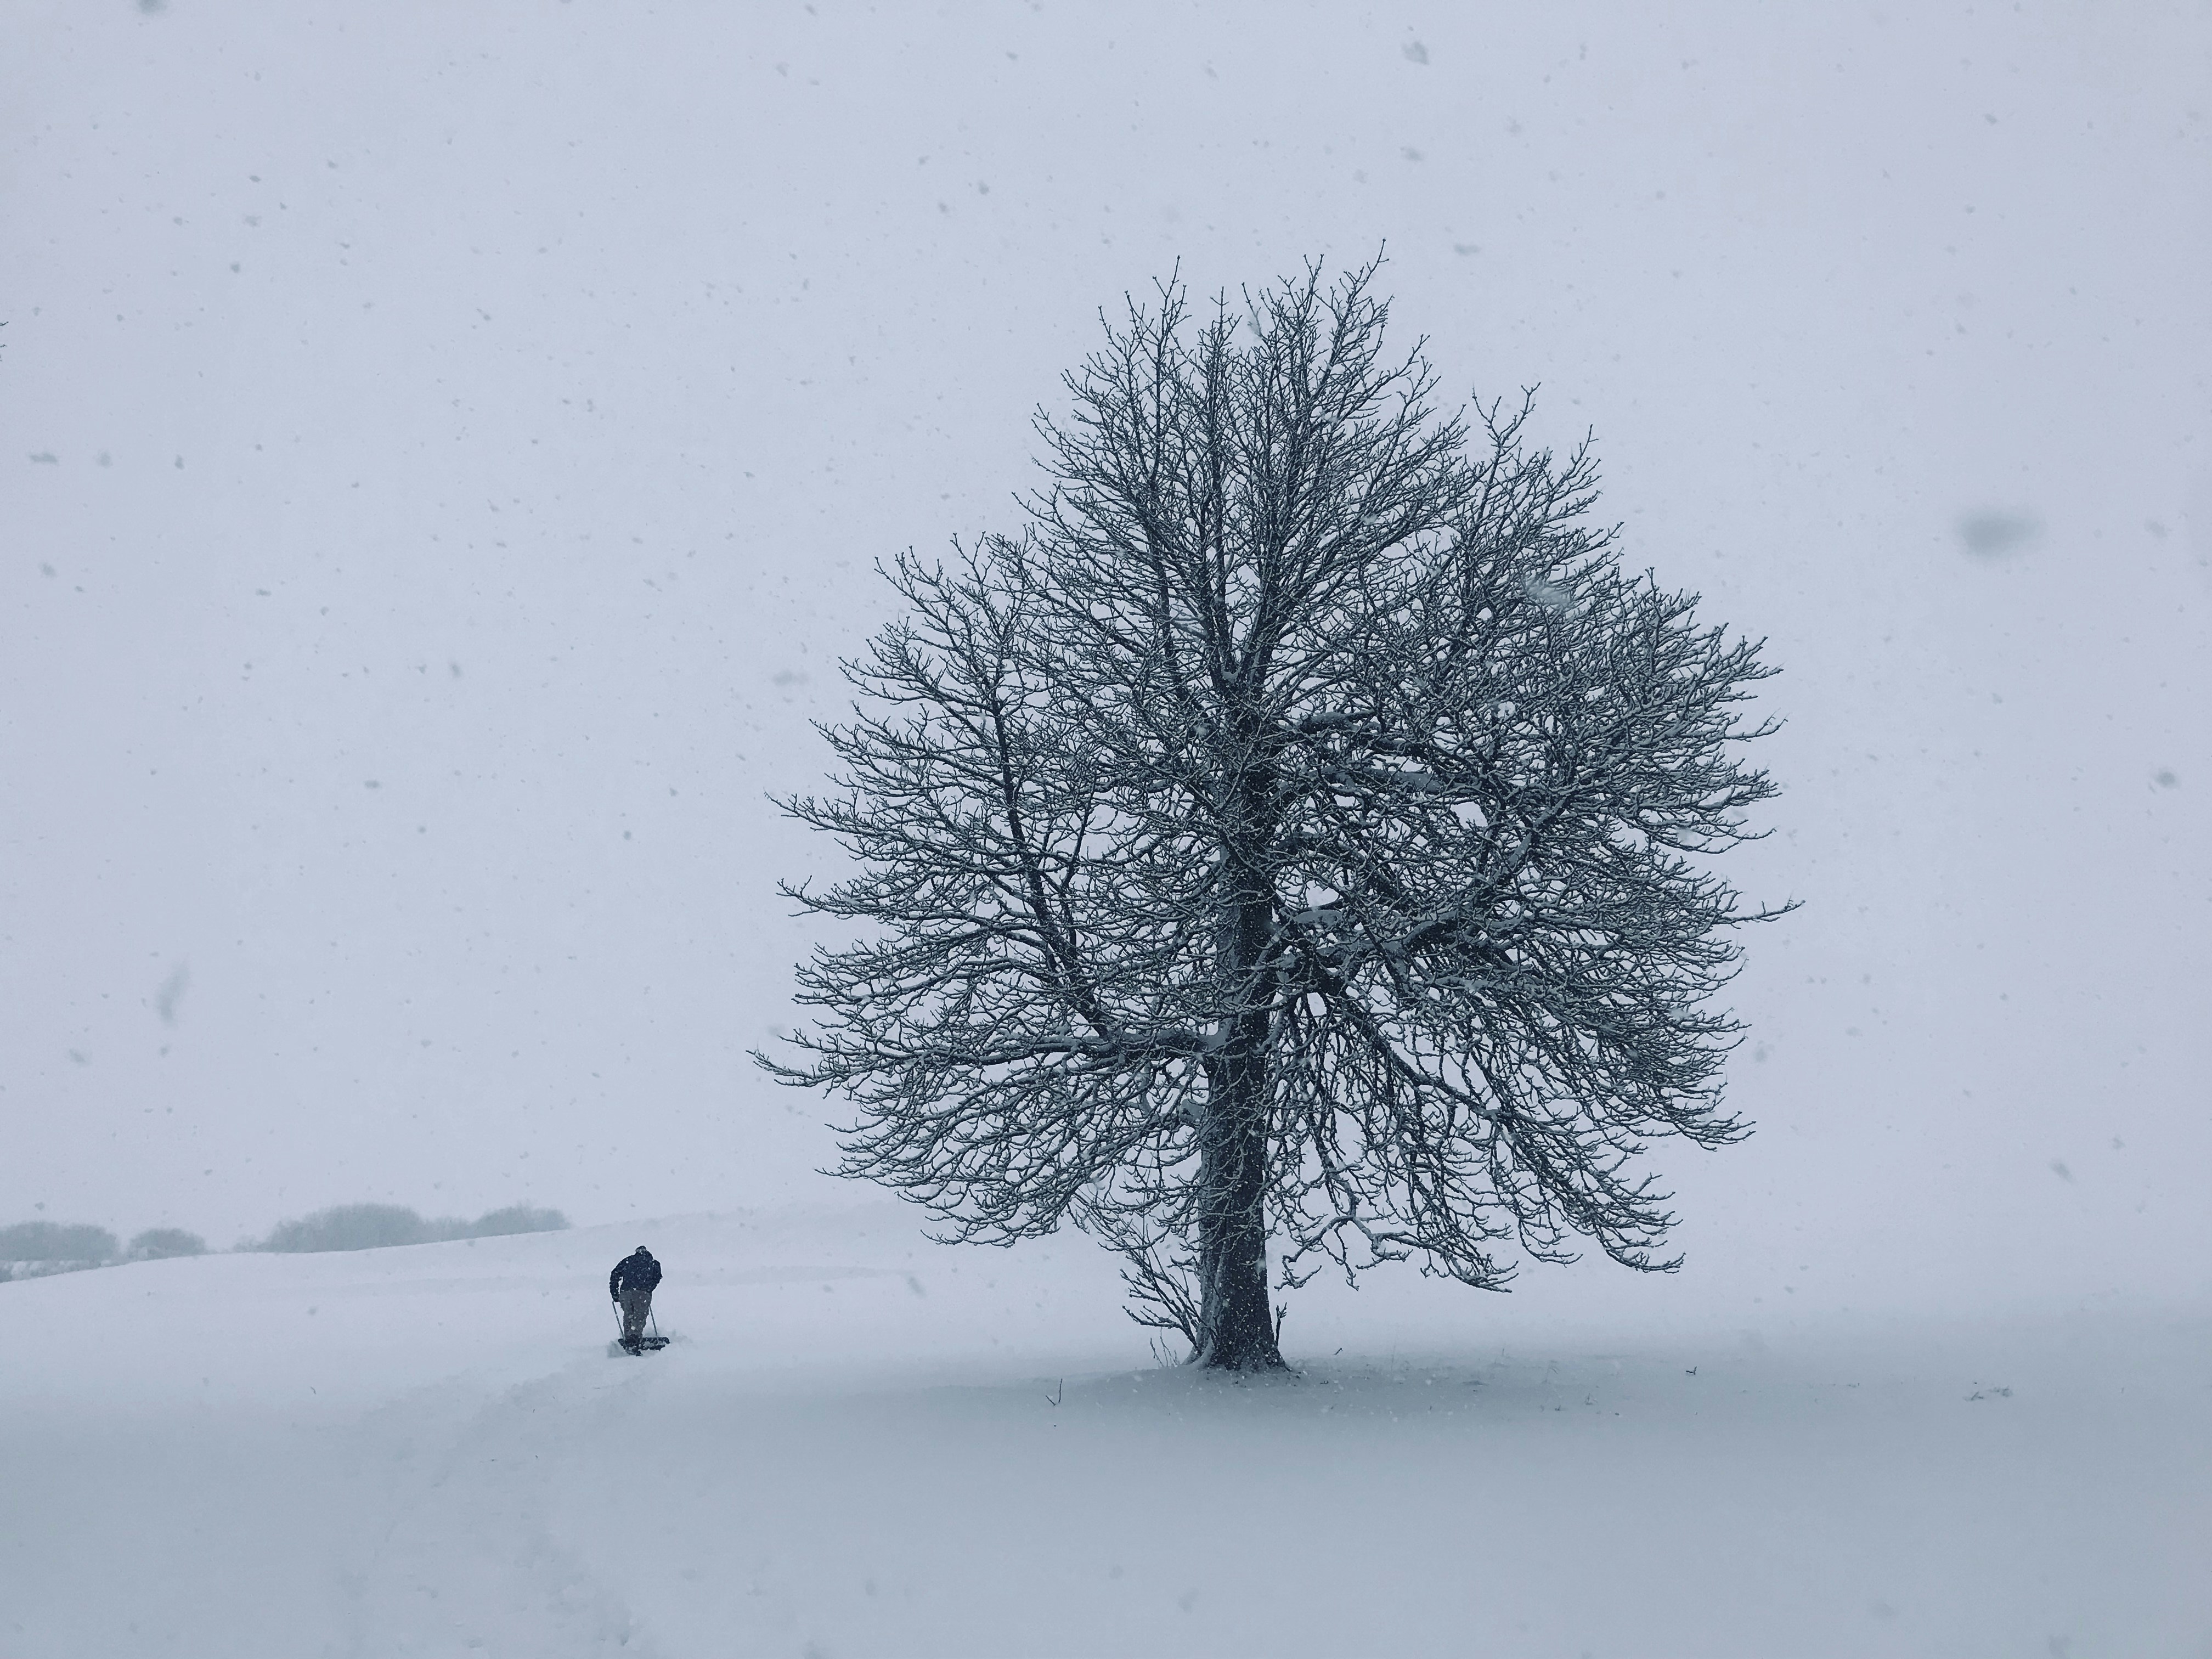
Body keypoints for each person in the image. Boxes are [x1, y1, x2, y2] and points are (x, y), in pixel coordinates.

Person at [609, 1245, 662, 1350]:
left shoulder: (628, 1261)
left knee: (628, 1314)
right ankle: (634, 1338)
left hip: (625, 1292)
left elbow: (615, 1274)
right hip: (642, 1292)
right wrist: (649, 1288)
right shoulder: (653, 1263)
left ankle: (629, 1337)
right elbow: (657, 1277)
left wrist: (615, 1293)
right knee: (639, 1315)